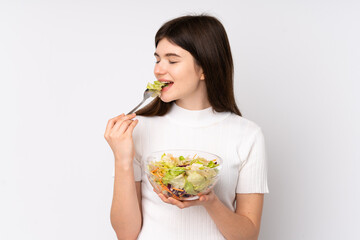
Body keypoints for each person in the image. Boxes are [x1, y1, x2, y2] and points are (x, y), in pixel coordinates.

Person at [104, 14, 269, 240]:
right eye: (157, 59)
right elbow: (125, 234)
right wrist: (122, 160)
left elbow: (247, 236)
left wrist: (210, 201)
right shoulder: (139, 129)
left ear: (205, 69)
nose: (159, 70)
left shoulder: (247, 135)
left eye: (172, 60)